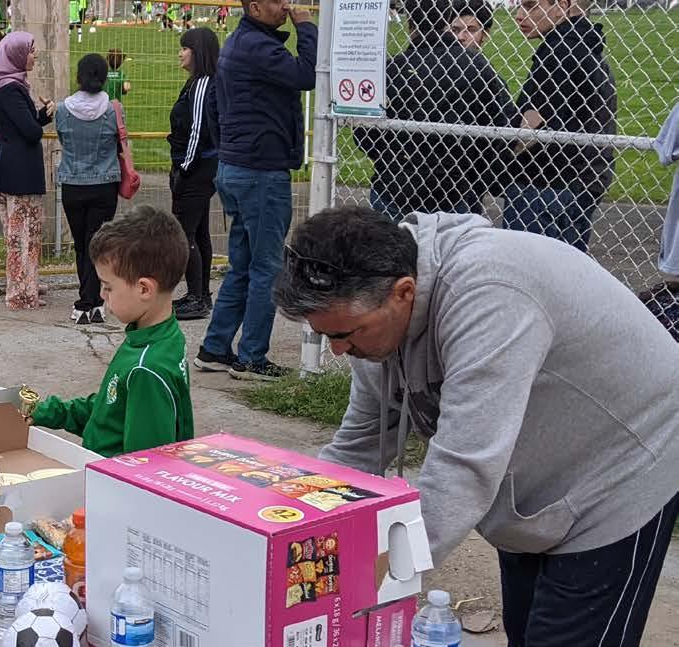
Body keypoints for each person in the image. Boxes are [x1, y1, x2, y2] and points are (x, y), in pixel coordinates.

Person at [274, 206, 679, 647]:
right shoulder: (374, 319)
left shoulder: (489, 295)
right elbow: (357, 449)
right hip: (538, 473)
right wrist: (287, 531)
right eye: (327, 336)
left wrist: (370, 579)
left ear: (403, 293)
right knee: (526, 629)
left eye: (345, 334)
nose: (337, 351)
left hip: (623, 464)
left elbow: (463, 468)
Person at [194, 0, 314, 381]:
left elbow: (214, 108)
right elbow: (306, 74)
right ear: (256, 7)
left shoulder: (238, 43)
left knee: (243, 265)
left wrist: (230, 149)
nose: (286, 6)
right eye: (277, 1)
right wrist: (306, 28)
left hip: (237, 165)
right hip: (260, 170)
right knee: (266, 268)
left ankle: (215, 348)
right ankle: (251, 358)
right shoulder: (258, 47)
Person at [30, 207, 195, 457]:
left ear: (144, 289)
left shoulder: (146, 368)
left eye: (108, 287)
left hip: (110, 479)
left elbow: (143, 466)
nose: (101, 294)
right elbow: (110, 408)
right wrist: (46, 412)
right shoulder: (157, 335)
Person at [354, 0, 519, 221]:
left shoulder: (391, 68)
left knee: (392, 241)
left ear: (409, 23)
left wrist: (390, 158)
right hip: (453, 186)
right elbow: (497, 130)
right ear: (448, 21)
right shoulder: (477, 67)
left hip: (395, 183)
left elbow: (364, 135)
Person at [504, 0, 615, 253]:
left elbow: (530, 126)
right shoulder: (587, 44)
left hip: (545, 183)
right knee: (565, 268)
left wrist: (503, 157)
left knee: (527, 267)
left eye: (531, 6)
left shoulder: (558, 50)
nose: (519, 15)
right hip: (585, 178)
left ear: (562, 5)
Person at [0, 32, 53, 311]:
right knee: (23, 236)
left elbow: (26, 124)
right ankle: (21, 294)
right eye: (31, 50)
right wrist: (38, 122)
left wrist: (44, 114)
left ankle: (26, 285)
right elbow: (30, 131)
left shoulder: (8, 86)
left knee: (19, 235)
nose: (34, 55)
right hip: (20, 172)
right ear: (16, 55)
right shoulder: (10, 90)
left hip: (11, 167)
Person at [56, 54, 122, 325]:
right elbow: (119, 141)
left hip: (73, 183)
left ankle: (86, 301)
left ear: (78, 77)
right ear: (104, 77)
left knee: (81, 244)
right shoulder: (113, 109)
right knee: (98, 244)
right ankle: (94, 302)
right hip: (104, 184)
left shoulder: (63, 109)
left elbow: (62, 138)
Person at [168, 28, 220, 321]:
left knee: (183, 233)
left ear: (198, 52)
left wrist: (184, 168)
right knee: (198, 232)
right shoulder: (197, 83)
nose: (180, 53)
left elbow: (198, 131)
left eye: (185, 48)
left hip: (196, 168)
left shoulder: (202, 85)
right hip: (200, 167)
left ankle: (196, 298)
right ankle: (201, 294)